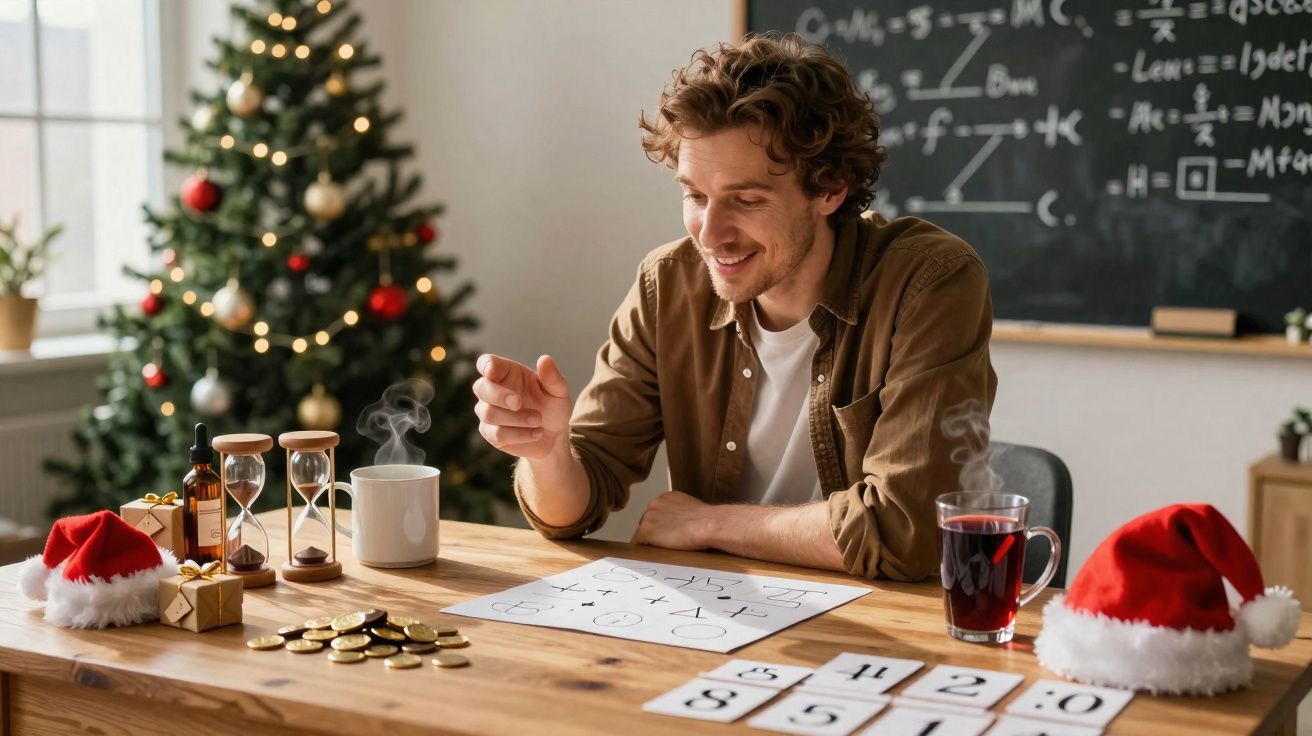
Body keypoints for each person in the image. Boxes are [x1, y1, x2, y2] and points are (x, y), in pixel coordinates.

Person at [472, 33, 997, 581]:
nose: (711, 234)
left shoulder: (929, 281)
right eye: (695, 196)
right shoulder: (667, 285)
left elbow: (906, 531)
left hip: (881, 629)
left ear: (830, 190)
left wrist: (708, 525)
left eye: (746, 200)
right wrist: (549, 452)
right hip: (721, 621)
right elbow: (573, 509)